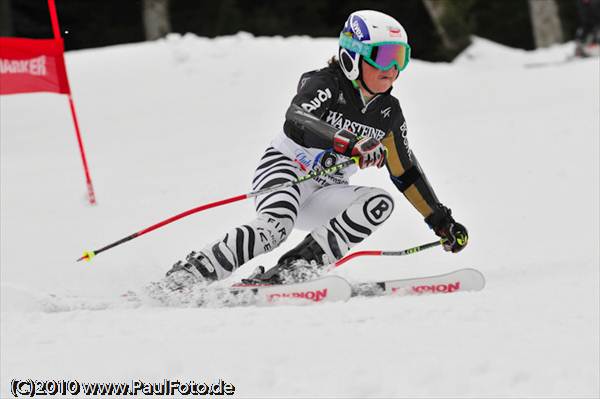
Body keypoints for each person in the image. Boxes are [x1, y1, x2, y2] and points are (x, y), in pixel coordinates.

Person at [166, 10, 468, 286]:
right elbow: (297, 119)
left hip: (326, 190)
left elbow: (406, 173)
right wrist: (351, 142)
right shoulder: (326, 83)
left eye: (400, 58)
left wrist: (442, 222)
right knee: (274, 229)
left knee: (379, 203)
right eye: (383, 56)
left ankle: (294, 270)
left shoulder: (389, 113)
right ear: (353, 56)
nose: (392, 68)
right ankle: (192, 272)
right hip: (286, 169)